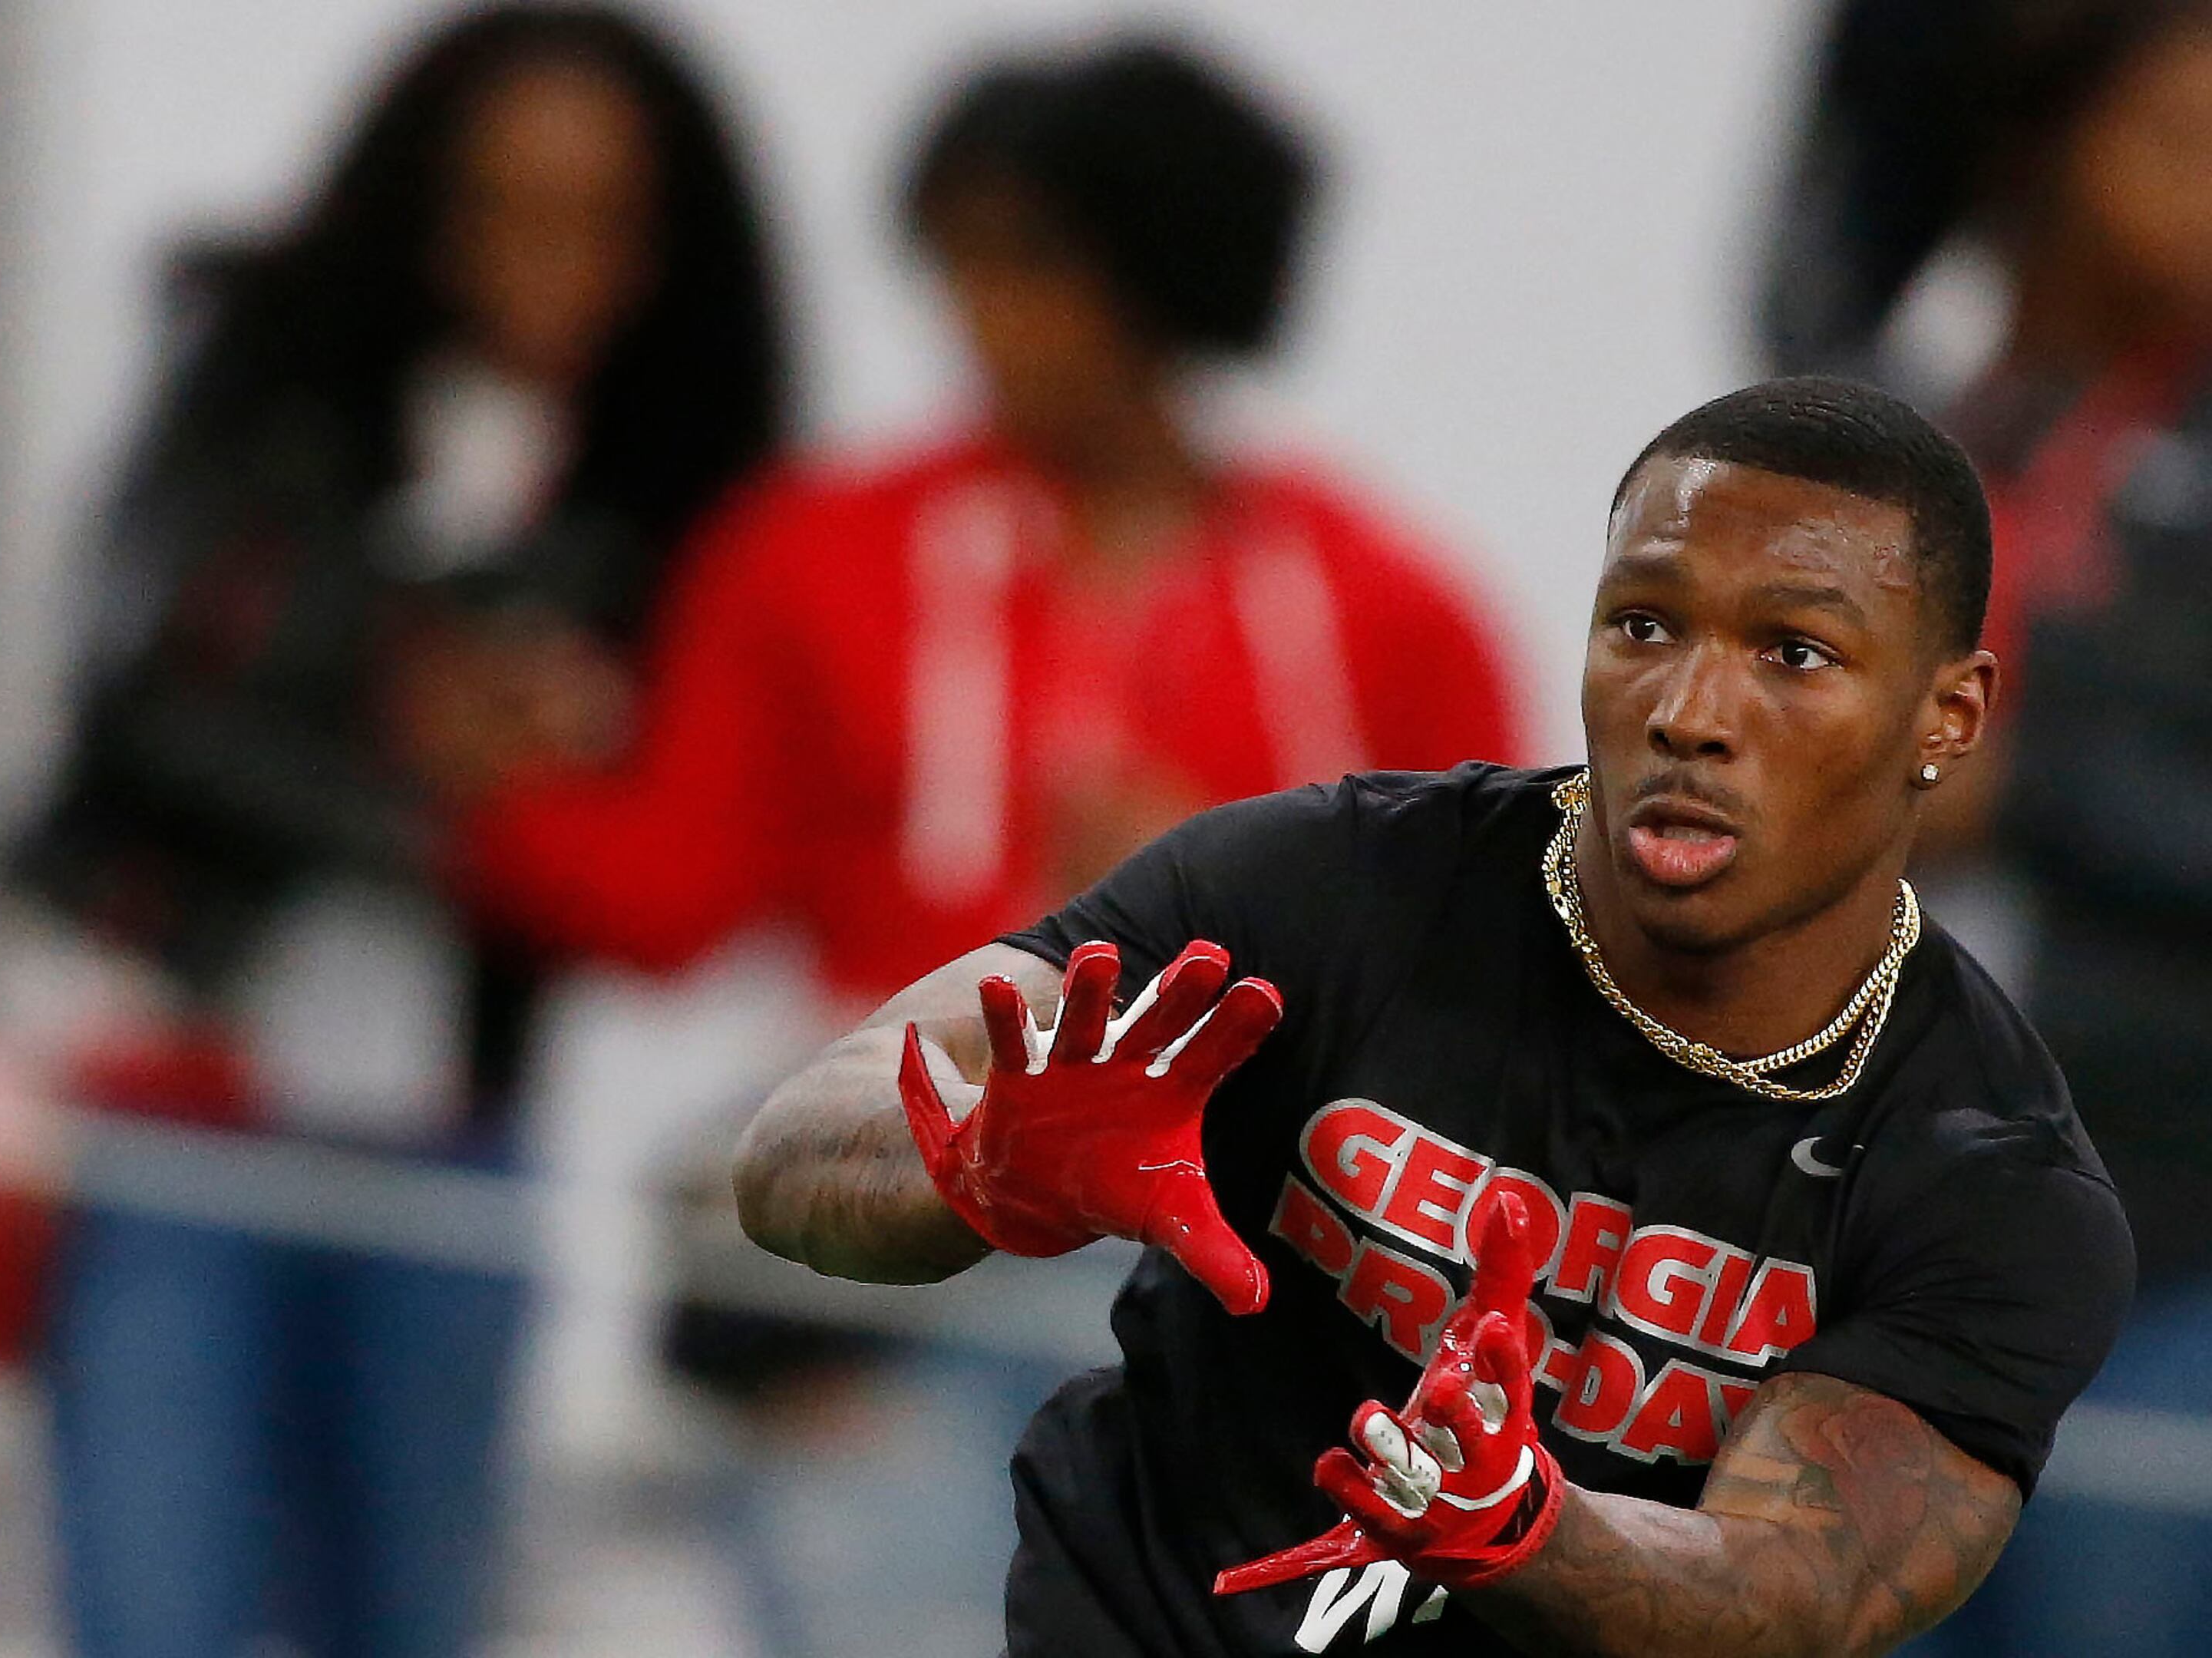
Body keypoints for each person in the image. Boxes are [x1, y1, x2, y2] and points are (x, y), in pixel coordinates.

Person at [732, 376, 2133, 1656]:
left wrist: (1525, 1523)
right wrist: (975, 1166)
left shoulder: (1991, 1180)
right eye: (1645, 625)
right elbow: (793, 1152)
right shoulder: (1330, 892)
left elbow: (1793, 1588)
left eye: (1797, 653)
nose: (1691, 710)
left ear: (1947, 716)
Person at [425, 41, 1519, 1652]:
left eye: (1033, 268)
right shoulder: (822, 554)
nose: (984, 320)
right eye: (963, 269)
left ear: (1165, 279)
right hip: (901, 1276)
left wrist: (1235, 903)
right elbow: (673, 890)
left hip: (1249, 1304)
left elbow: (1503, 983)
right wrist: (486, 781)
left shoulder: (1379, 608)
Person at [0, 9, 787, 1657]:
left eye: (606, 223)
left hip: (452, 1144)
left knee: (416, 1615)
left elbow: (669, 859)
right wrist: (432, 762)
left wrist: (507, 783)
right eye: (503, 210)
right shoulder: (266, 391)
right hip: (185, 1112)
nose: (553, 271)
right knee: (159, 1611)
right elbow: (139, 701)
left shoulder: (675, 496)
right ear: (417, 208)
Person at [1764, 3, 2212, 1650]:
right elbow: (1828, 207)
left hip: (2166, 1252)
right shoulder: (1922, 417)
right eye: (2176, 138)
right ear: (2052, 151)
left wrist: (2038, 799)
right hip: (1848, 1263)